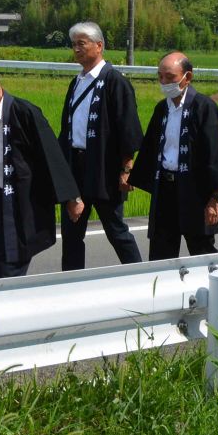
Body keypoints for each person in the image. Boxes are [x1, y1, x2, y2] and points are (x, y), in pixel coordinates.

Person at [0, 59, 83, 278]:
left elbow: (51, 155)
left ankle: (4, 306)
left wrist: (72, 198)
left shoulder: (24, 112)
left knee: (9, 266)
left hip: (19, 202)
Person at [129, 52, 218, 259]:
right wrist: (132, 174)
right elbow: (150, 149)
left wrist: (215, 198)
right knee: (160, 254)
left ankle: (207, 291)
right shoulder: (161, 109)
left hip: (196, 192)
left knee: (201, 252)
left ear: (187, 77)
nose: (164, 82)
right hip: (165, 189)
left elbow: (215, 155)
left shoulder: (204, 107)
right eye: (160, 76)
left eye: (170, 77)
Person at [57, 21, 143, 269]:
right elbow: (67, 127)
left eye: (81, 44)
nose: (76, 49)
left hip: (104, 169)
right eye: (73, 44)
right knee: (72, 231)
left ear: (99, 45)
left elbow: (128, 128)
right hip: (76, 167)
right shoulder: (77, 82)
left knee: (116, 229)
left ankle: (139, 275)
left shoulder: (115, 81)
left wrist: (126, 169)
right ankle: (72, 284)